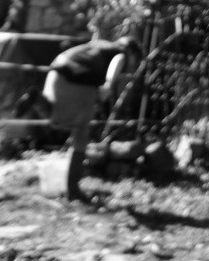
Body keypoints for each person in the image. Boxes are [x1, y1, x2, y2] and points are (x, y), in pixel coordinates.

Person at [42, 36, 142, 200]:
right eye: (135, 60)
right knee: (80, 135)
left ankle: (40, 104)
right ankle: (73, 191)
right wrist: (109, 84)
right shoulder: (119, 52)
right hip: (77, 77)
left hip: (56, 71)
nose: (132, 66)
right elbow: (118, 60)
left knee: (57, 119)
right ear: (131, 51)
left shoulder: (99, 44)